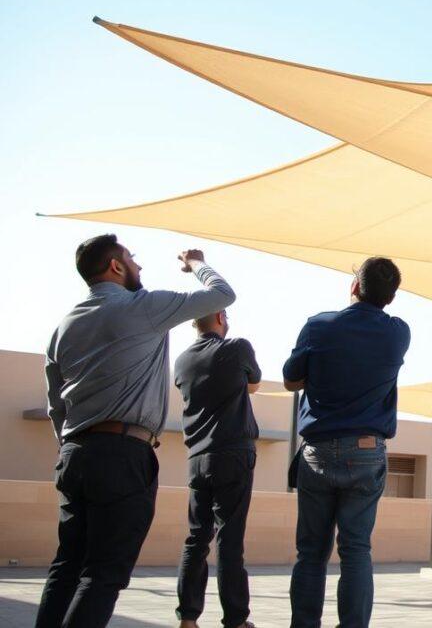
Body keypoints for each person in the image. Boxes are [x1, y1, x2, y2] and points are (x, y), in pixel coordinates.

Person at [38, 236, 236, 628]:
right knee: (103, 573)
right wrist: (195, 263)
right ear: (115, 266)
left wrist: (74, 447)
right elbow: (222, 295)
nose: (139, 268)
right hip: (121, 455)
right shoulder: (141, 307)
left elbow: (55, 406)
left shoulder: (63, 326)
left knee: (66, 569)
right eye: (132, 259)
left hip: (74, 455)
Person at [282, 257, 411, 628]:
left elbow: (291, 381)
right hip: (368, 450)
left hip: (318, 450)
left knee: (310, 553)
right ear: (392, 297)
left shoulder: (319, 326)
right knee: (356, 550)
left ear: (354, 286)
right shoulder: (398, 332)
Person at [173, 309, 262, 628]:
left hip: (197, 457)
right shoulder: (237, 347)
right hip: (232, 454)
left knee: (196, 536)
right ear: (222, 318)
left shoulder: (182, 360)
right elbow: (253, 385)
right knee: (229, 537)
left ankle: (187, 617)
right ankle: (236, 619)